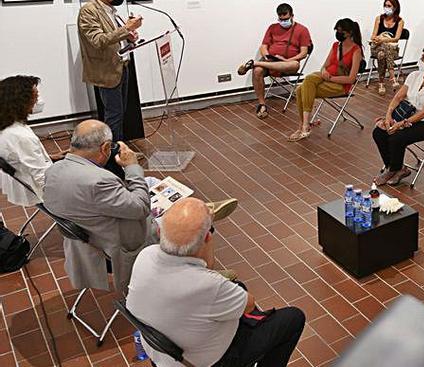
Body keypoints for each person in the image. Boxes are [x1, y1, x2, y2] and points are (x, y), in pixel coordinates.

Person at [43, 120, 238, 294]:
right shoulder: (99, 180)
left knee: (151, 181)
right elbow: (140, 208)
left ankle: (198, 208)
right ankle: (206, 274)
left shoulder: (54, 171)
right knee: (194, 227)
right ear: (104, 148)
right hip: (124, 241)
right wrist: (131, 167)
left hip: (92, 233)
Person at [127, 198, 305, 367]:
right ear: (207, 238)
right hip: (205, 361)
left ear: (160, 232)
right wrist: (207, 253)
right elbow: (249, 304)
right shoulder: (209, 284)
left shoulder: (146, 255)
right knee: (293, 318)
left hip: (161, 352)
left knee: (238, 287)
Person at [77, 0, 143, 141]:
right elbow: (98, 40)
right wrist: (126, 29)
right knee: (113, 114)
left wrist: (129, 36)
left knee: (121, 112)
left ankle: (120, 147)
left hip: (122, 66)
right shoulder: (88, 11)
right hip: (106, 71)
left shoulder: (110, 10)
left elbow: (114, 36)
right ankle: (113, 155)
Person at [373, 45, 424, 186]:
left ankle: (394, 169)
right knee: (379, 132)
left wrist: (402, 124)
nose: (420, 59)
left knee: (396, 137)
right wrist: (389, 115)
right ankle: (396, 167)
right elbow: (398, 97)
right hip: (404, 116)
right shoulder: (415, 76)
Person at [289, 18, 363, 141]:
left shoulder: (356, 50)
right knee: (308, 80)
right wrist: (324, 72)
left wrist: (332, 78)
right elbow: (325, 65)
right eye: (337, 31)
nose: (338, 34)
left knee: (301, 90)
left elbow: (351, 79)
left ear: (349, 33)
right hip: (326, 77)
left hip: (339, 84)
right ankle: (305, 125)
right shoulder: (335, 46)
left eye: (341, 31)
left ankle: (304, 125)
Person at [236, 4, 312, 119]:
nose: (283, 21)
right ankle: (262, 105)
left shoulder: (302, 30)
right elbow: (263, 46)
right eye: (281, 19)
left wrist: (287, 60)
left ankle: (255, 63)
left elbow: (303, 53)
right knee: (257, 71)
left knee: (294, 64)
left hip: (288, 63)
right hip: (270, 60)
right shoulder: (272, 28)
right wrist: (266, 56)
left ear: (292, 15)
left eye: (286, 19)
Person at [0, 76, 59, 207]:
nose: (38, 100)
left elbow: (23, 160)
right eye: (35, 96)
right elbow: (43, 178)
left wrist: (49, 158)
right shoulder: (20, 137)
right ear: (21, 101)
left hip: (35, 181)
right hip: (49, 192)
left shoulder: (7, 128)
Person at [369, 0, 406, 96]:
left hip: (392, 49)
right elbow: (373, 35)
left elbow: (396, 38)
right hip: (377, 47)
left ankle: (381, 83)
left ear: (395, 7)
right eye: (385, 5)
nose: (386, 7)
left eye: (389, 6)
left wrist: (384, 40)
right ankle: (392, 77)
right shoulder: (379, 19)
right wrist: (377, 39)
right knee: (382, 50)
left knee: (382, 54)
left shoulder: (400, 21)